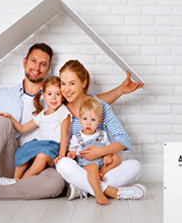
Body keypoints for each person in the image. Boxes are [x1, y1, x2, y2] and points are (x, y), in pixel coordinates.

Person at [0, 43, 143, 210]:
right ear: (24, 62)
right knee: (3, 121)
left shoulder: (68, 101)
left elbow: (92, 104)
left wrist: (120, 91)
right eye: (34, 61)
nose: (37, 67)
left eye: (43, 64)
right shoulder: (24, 98)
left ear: (48, 70)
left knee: (57, 185)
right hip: (20, 161)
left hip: (52, 165)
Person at [55, 60, 146, 202]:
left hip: (101, 168)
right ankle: (110, 191)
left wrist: (100, 152)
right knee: (62, 164)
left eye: (72, 83)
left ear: (83, 83)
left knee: (135, 166)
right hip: (77, 168)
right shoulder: (60, 109)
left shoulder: (100, 107)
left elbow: (123, 139)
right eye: (63, 83)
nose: (66, 89)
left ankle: (83, 189)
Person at [0, 76, 70, 186]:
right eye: (50, 94)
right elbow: (22, 129)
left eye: (57, 94)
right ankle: (14, 179)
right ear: (43, 96)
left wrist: (61, 155)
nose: (53, 98)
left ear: (63, 97)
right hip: (40, 144)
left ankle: (20, 182)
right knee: (23, 150)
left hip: (53, 147)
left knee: (41, 156)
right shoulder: (42, 114)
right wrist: (10, 117)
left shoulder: (63, 113)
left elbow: (64, 136)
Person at [67, 97, 121, 205]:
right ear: (80, 119)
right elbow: (71, 151)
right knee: (93, 167)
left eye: (93, 120)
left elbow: (108, 148)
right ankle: (98, 192)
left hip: (101, 164)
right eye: (85, 119)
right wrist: (71, 154)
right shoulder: (77, 137)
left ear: (99, 121)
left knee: (116, 158)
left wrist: (108, 156)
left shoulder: (102, 135)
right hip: (87, 165)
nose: (88, 123)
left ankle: (98, 175)